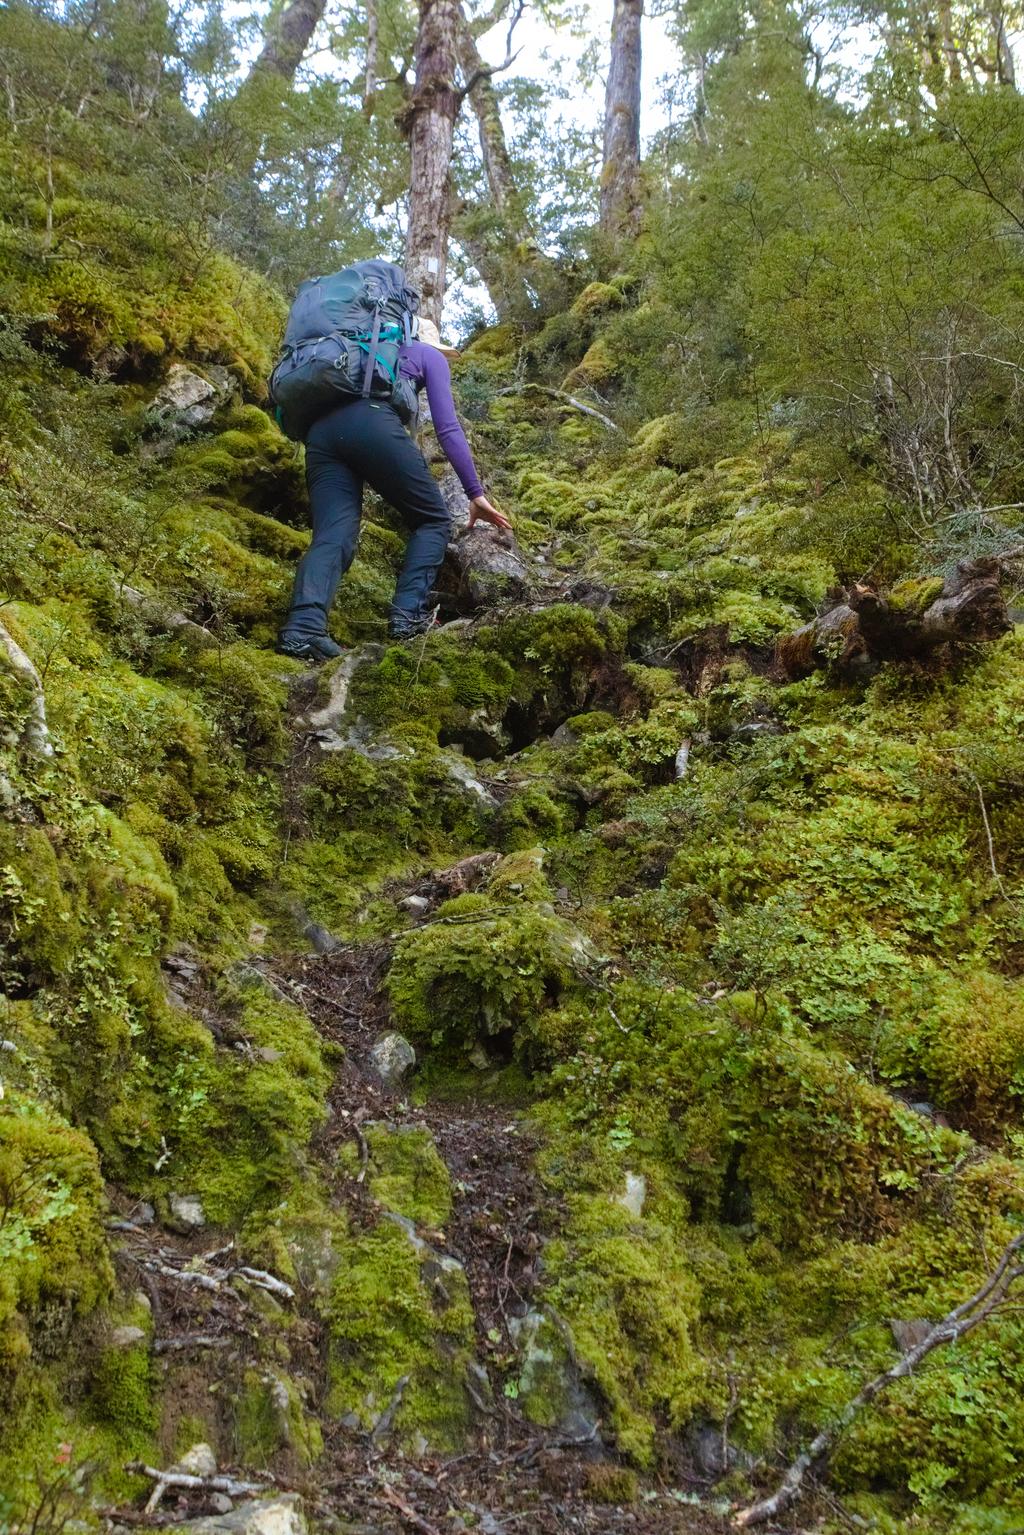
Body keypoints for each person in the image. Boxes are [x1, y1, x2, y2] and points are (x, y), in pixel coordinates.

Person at [277, 316, 511, 661]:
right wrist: (474, 492)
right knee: (432, 520)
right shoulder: (427, 354)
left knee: (334, 534)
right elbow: (447, 428)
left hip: (320, 434)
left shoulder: (357, 356)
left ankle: (302, 629)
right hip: (371, 421)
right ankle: (407, 619)